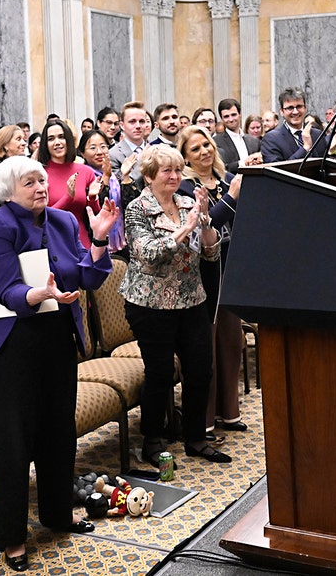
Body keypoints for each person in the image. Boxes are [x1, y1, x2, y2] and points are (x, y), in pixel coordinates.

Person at [0, 157, 118, 572]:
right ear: (9, 191)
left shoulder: (62, 220)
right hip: (7, 346)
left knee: (58, 432)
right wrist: (39, 294)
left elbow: (87, 276)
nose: (41, 187)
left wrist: (97, 241)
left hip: (54, 339)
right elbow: (5, 288)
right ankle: (11, 539)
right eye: (30, 182)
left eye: (42, 181)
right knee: (12, 444)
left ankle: (58, 516)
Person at [121, 145, 230, 468]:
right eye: (167, 171)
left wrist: (206, 222)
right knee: (160, 372)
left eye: (178, 170)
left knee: (200, 369)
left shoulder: (187, 203)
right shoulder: (136, 209)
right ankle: (152, 441)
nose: (175, 177)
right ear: (150, 175)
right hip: (149, 304)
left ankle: (196, 438)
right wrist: (186, 228)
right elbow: (150, 254)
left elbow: (209, 254)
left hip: (191, 299)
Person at [176, 126, 247, 440]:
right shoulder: (184, 185)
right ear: (185, 157)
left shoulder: (227, 177)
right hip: (203, 272)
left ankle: (229, 413)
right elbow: (207, 222)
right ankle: (203, 421)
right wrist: (232, 197)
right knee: (206, 347)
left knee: (231, 342)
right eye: (195, 149)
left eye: (207, 144)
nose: (205, 151)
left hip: (232, 265)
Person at [39, 120, 102, 248]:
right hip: (51, 241)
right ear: (45, 144)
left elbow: (96, 216)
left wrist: (92, 198)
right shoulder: (38, 173)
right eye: (51, 139)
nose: (57, 142)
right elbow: (41, 218)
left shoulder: (85, 171)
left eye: (61, 137)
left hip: (81, 241)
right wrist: (68, 197)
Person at [262, 88, 326, 162]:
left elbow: (324, 165)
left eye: (299, 106)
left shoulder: (317, 134)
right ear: (282, 111)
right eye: (290, 108)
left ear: (305, 108)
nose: (295, 112)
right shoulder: (271, 139)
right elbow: (276, 171)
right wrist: (305, 148)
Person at [214, 99, 263, 174]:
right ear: (222, 118)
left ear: (239, 114)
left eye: (234, 115)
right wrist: (243, 163)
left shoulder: (254, 141)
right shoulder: (216, 141)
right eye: (226, 116)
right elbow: (221, 168)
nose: (231, 119)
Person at [108, 102, 151, 178]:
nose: (138, 126)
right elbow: (120, 186)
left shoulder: (155, 150)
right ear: (122, 125)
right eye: (132, 122)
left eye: (142, 121)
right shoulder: (113, 154)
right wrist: (142, 162)